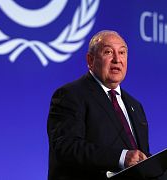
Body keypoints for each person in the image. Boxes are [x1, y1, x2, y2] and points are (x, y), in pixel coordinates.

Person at [47, 30, 150, 180]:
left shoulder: (136, 106)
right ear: (90, 60)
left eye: (122, 53)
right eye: (108, 52)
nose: (117, 59)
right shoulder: (70, 95)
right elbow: (66, 147)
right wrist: (121, 157)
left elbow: (139, 158)